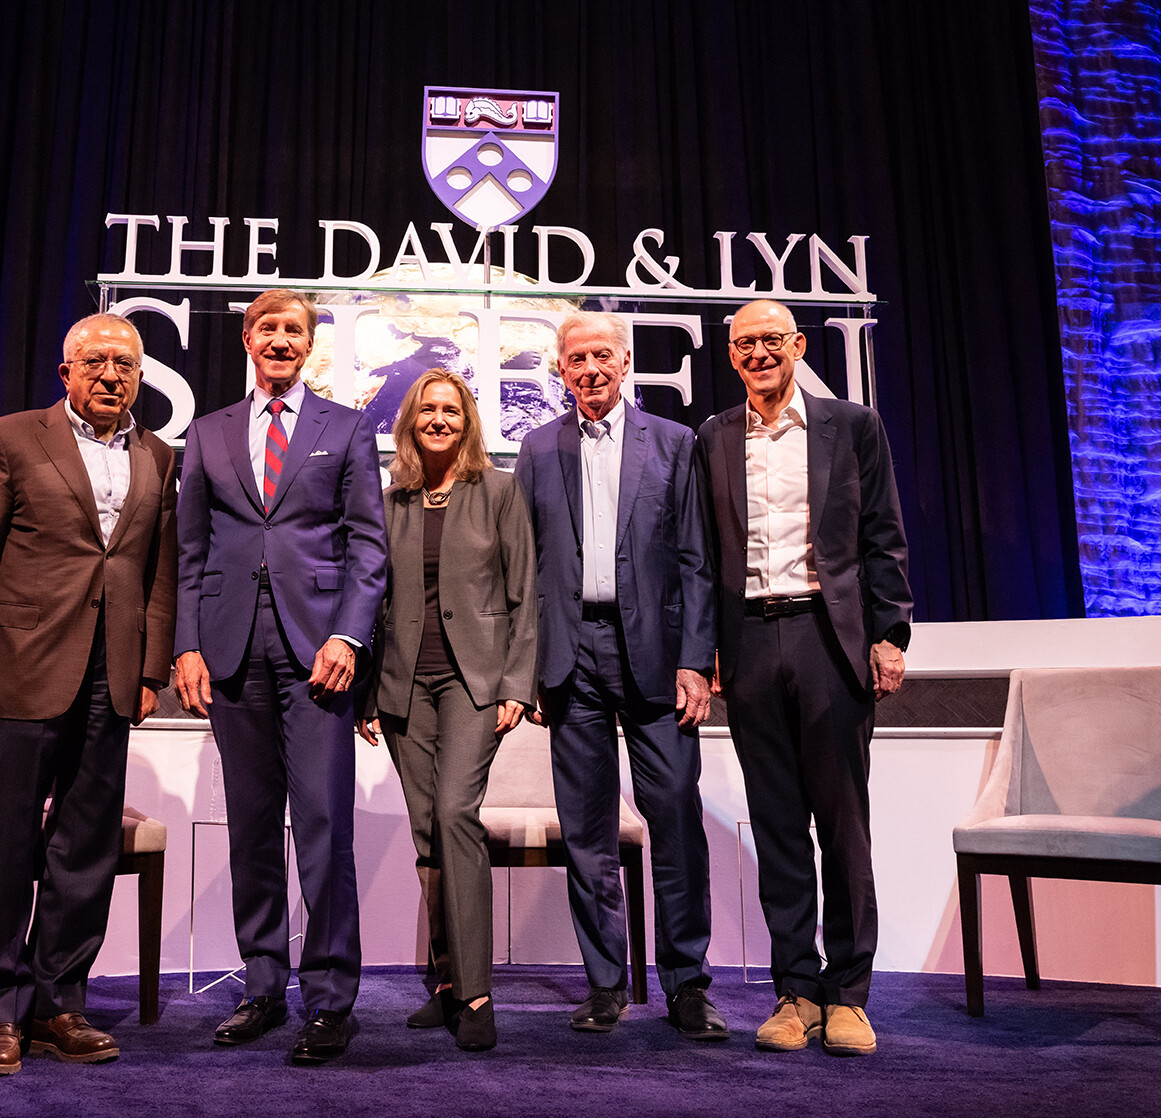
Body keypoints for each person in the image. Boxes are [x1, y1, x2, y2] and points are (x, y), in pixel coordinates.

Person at [0, 312, 178, 1078]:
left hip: (112, 677)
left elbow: (157, 574)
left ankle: (58, 1004)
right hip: (22, 669)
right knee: (8, 841)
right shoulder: (9, 438)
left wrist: (149, 672)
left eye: (127, 365)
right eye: (98, 362)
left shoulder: (158, 457)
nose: (113, 376)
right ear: (66, 372)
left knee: (86, 848)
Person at [173, 288, 387, 1065]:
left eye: (294, 330)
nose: (281, 341)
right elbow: (189, 552)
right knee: (252, 828)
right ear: (247, 337)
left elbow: (368, 546)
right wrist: (187, 646)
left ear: (309, 341)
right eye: (268, 329)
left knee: (326, 827)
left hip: (317, 657)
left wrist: (349, 636)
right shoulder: (207, 432)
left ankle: (330, 999)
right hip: (230, 656)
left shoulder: (348, 427)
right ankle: (262, 985)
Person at [697, 298, 910, 1058]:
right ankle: (797, 993)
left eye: (770, 340)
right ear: (729, 355)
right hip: (749, 640)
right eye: (744, 343)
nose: (758, 353)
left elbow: (883, 535)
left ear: (796, 344)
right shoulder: (713, 438)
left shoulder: (851, 426)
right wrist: (704, 650)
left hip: (829, 635)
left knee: (842, 824)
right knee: (780, 824)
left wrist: (889, 635)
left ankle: (850, 996)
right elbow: (701, 557)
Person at [512, 313, 728, 1042]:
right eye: (576, 359)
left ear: (626, 361)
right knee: (588, 835)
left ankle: (687, 985)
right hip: (570, 660)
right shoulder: (538, 449)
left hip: (659, 659)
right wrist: (531, 666)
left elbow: (698, 560)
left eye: (602, 355)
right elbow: (523, 570)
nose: (590, 369)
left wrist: (697, 660)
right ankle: (605, 985)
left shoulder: (674, 442)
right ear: (561, 370)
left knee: (673, 820)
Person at [355, 369, 538, 1053]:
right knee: (428, 833)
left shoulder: (497, 490)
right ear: (409, 422)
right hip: (402, 683)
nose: (438, 419)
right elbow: (369, 602)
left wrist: (517, 684)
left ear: (467, 423)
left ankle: (477, 991)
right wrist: (367, 691)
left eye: (450, 411)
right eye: (427, 410)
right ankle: (444, 981)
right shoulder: (390, 499)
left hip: (473, 680)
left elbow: (525, 592)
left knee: (457, 815)